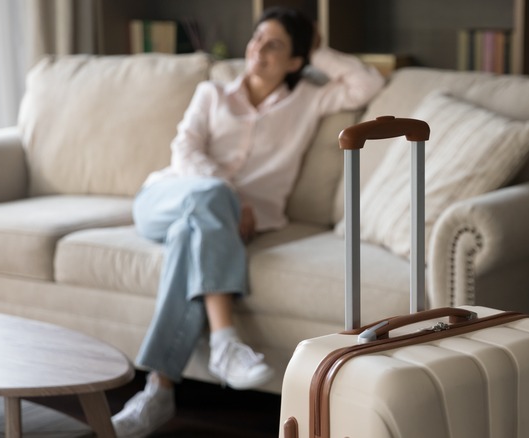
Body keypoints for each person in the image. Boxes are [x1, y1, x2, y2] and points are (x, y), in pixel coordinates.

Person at [111, 6, 384, 438]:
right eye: (257, 39)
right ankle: (224, 342)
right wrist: (231, 197)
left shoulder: (308, 99)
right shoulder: (212, 93)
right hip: (165, 199)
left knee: (191, 235)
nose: (259, 49)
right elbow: (185, 151)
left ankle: (158, 390)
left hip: (208, 223)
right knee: (207, 202)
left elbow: (367, 83)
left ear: (296, 61)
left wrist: (319, 49)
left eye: (275, 44)